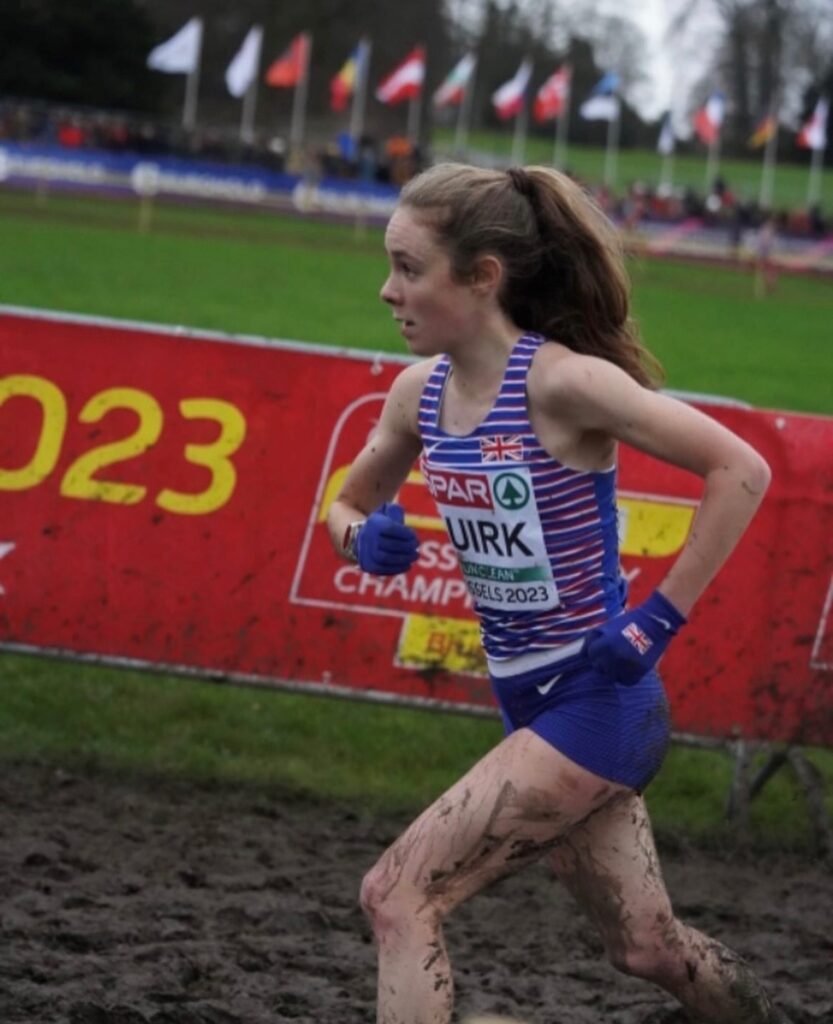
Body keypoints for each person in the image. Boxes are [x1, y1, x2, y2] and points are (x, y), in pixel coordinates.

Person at [327, 162, 785, 1024]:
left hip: (597, 700)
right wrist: (363, 536)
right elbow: (347, 505)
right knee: (645, 948)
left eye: (407, 268)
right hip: (526, 703)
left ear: (482, 277)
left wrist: (657, 618)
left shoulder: (564, 384)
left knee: (396, 894)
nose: (387, 290)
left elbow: (742, 468)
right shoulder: (414, 396)